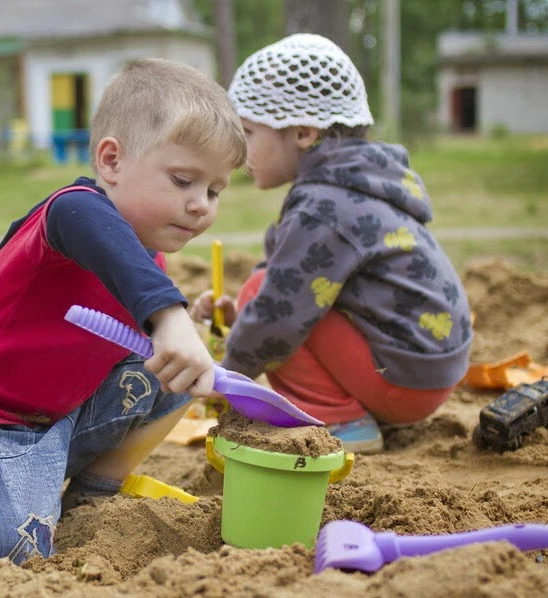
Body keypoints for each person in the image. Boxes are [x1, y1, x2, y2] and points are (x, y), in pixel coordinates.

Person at [0, 58, 246, 579]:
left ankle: (94, 494)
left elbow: (136, 322)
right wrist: (169, 315)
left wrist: (193, 322)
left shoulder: (145, 256)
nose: (201, 205)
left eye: (214, 191)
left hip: (59, 423)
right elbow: (94, 232)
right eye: (183, 179)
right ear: (111, 161)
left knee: (177, 375)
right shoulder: (73, 211)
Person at [191, 34, 472, 454]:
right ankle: (352, 405)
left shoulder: (323, 206)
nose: (236, 150)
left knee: (269, 299)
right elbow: (286, 272)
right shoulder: (353, 182)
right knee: (266, 290)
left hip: (404, 380)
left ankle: (342, 421)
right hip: (427, 369)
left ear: (303, 132)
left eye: (247, 132)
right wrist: (242, 315)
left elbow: (277, 316)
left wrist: (226, 376)